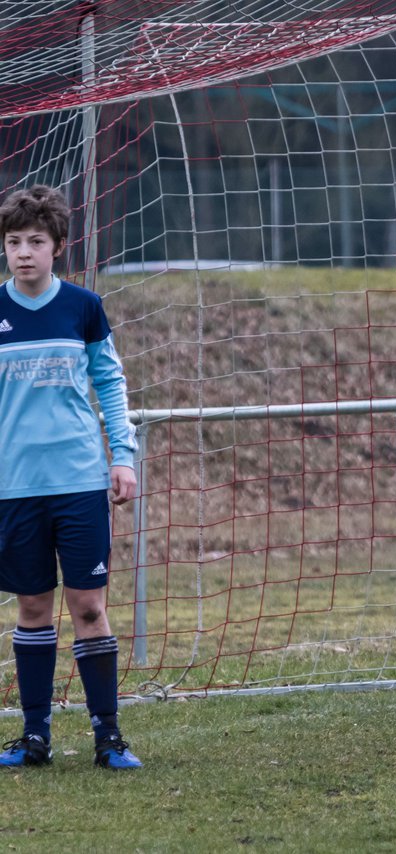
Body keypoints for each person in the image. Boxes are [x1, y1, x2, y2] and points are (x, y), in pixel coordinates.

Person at [0, 186, 141, 770]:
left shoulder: (84, 306)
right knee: (32, 607)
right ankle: (35, 737)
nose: (23, 252)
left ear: (58, 246)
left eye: (35, 241)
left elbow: (110, 384)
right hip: (13, 487)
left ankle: (108, 736)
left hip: (80, 480)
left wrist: (123, 456)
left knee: (88, 606)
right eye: (13, 242)